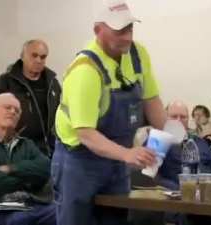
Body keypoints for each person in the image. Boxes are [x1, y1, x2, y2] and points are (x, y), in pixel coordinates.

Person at [52, 0, 167, 224]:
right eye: (119, 31)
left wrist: (174, 135)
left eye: (130, 29)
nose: (127, 37)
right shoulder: (85, 70)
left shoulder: (138, 54)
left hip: (115, 160)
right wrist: (127, 154)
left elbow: (151, 100)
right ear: (98, 30)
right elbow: (85, 133)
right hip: (79, 160)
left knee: (115, 218)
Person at [0, 93, 55, 225]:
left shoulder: (26, 144)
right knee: (20, 220)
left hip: (28, 206)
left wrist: (11, 168)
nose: (13, 112)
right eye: (8, 107)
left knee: (63, 212)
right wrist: (30, 178)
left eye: (17, 110)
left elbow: (46, 168)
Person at [0, 39, 61, 156]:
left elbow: (61, 115)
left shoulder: (53, 84)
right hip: (16, 153)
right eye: (34, 55)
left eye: (43, 57)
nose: (38, 60)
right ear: (22, 56)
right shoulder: (6, 82)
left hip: (48, 152)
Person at [157, 101, 211, 190]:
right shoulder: (158, 140)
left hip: (208, 194)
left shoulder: (200, 142)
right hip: (176, 195)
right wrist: (181, 188)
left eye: (183, 117)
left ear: (188, 120)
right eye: (174, 117)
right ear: (165, 118)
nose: (178, 120)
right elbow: (149, 177)